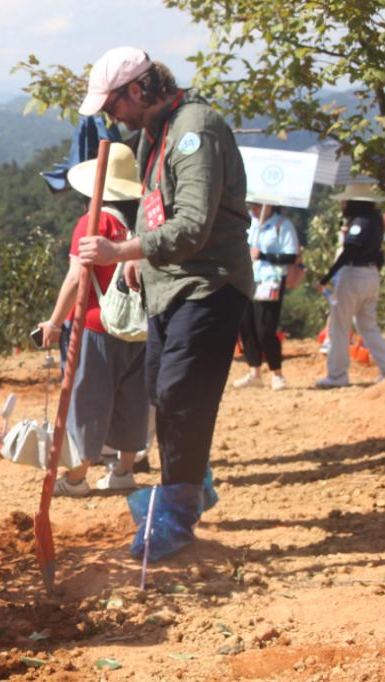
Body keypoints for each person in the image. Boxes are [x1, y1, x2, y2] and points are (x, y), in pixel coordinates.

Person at [76, 48, 254, 561]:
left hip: (208, 285)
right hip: (166, 287)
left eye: (111, 105)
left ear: (136, 91)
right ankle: (193, 484)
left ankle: (175, 518)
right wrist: (139, 249)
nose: (111, 118)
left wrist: (121, 250)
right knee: (163, 391)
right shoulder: (154, 136)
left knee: (180, 394)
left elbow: (194, 225)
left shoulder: (196, 131)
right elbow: (156, 209)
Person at [38, 142, 148, 496]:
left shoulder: (93, 221)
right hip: (140, 327)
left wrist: (55, 323)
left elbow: (75, 278)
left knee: (88, 400)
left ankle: (75, 479)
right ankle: (124, 472)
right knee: (133, 398)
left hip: (98, 325)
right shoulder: (144, 220)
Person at [316, 184, 385, 386]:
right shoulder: (376, 220)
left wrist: (327, 277)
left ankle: (337, 375)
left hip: (354, 275)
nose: (343, 205)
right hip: (371, 275)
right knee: (367, 325)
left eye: (345, 201)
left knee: (339, 326)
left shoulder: (359, 222)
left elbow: (349, 251)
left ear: (354, 202)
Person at [233, 202, 301, 390]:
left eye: (257, 206)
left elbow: (291, 256)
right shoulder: (250, 223)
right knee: (247, 327)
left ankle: (277, 373)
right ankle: (254, 371)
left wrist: (263, 255)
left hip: (270, 281)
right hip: (247, 279)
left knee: (265, 329)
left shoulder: (283, 226)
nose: (253, 209)